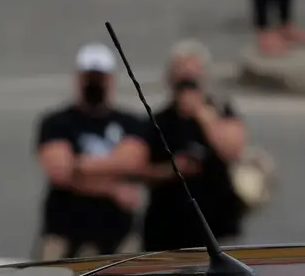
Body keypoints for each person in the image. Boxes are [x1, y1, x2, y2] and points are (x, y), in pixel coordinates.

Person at [33, 43, 150, 260]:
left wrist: (80, 166)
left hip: (117, 234)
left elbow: (133, 162)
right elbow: (60, 171)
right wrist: (113, 187)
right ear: (78, 78)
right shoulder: (55, 123)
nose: (94, 84)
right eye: (90, 77)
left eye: (100, 78)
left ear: (111, 80)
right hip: (64, 232)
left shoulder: (131, 123)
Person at [141, 40, 249, 252]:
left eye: (193, 76)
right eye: (182, 76)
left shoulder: (221, 112)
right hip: (168, 227)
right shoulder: (159, 120)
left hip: (217, 224)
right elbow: (140, 169)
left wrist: (203, 115)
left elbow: (232, 150)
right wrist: (172, 170)